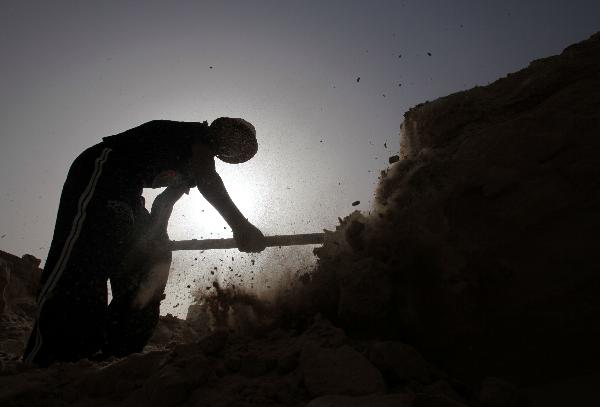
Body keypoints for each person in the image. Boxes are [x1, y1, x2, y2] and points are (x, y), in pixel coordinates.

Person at [23, 118, 266, 366]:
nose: (236, 147)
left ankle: (117, 348)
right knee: (86, 255)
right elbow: (209, 180)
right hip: (101, 170)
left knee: (153, 261)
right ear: (220, 129)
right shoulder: (196, 134)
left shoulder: (194, 168)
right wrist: (240, 226)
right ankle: (53, 353)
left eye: (241, 149)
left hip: (129, 193)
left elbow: (163, 203)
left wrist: (155, 236)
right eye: (236, 139)